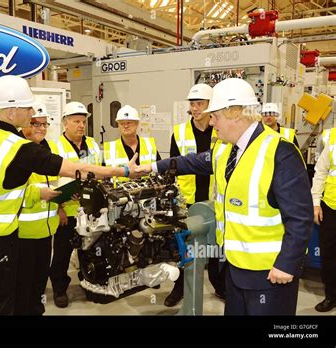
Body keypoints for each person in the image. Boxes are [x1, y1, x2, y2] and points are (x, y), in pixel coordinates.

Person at [0, 76, 136, 315]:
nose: (31, 111)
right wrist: (124, 170)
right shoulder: (18, 148)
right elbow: (78, 170)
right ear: (12, 112)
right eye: (27, 107)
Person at [134, 78, 313, 315]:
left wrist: (287, 263)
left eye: (215, 115)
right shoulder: (225, 149)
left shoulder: (279, 151)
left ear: (235, 113)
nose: (211, 121)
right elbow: (191, 162)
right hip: (234, 266)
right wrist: (152, 167)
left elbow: (300, 216)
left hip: (269, 273)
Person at [165, 83, 226, 307]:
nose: (196, 108)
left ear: (211, 106)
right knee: (184, 247)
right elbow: (172, 166)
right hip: (186, 201)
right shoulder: (179, 132)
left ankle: (220, 285)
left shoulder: (221, 130)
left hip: (213, 201)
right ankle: (180, 287)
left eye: (200, 103)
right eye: (192, 104)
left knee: (215, 247)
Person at [49, 101, 102, 308]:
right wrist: (58, 208)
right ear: (65, 123)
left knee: (89, 249)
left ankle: (89, 283)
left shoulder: (92, 144)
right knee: (62, 252)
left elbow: (99, 171)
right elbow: (49, 181)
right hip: (67, 211)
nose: (81, 125)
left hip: (90, 210)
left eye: (83, 121)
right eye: (76, 121)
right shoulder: (54, 147)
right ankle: (59, 288)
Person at [14, 103, 60, 315]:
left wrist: (63, 197)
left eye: (44, 124)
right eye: (36, 124)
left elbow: (53, 183)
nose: (41, 128)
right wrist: (37, 194)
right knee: (23, 283)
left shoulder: (47, 150)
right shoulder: (17, 151)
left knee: (39, 281)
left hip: (46, 230)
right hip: (23, 233)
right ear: (25, 125)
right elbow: (7, 193)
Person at [312, 127, 336, 312]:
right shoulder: (332, 136)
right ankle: (331, 296)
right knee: (329, 256)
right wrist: (315, 203)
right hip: (331, 206)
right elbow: (320, 171)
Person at [104, 104, 160, 181]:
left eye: (129, 122)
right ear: (118, 125)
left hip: (148, 191)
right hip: (119, 192)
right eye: (122, 123)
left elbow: (159, 169)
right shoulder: (110, 148)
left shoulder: (149, 145)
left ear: (137, 124)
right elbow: (104, 177)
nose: (125, 126)